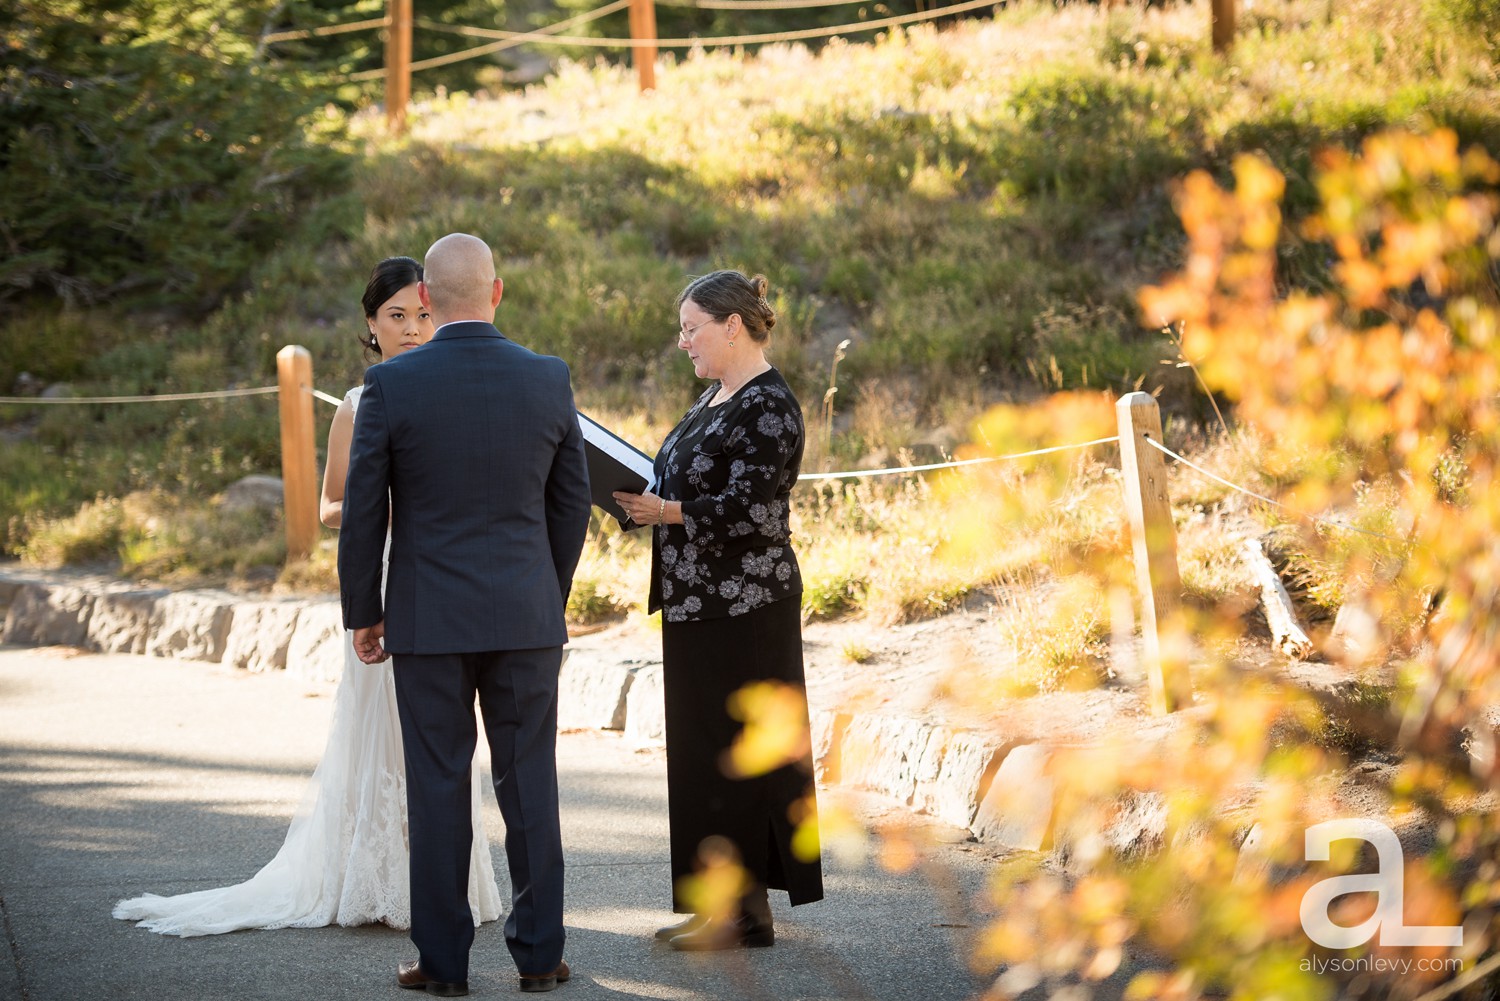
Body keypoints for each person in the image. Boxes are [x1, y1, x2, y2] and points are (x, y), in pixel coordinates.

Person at [112, 257, 504, 937]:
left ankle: (443, 882)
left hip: (446, 581)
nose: (412, 329)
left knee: (443, 736)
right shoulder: (360, 403)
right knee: (378, 725)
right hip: (383, 572)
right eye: (395, 317)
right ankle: (371, 875)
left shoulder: (454, 389)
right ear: (371, 327)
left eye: (422, 313)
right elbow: (329, 505)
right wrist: (381, 498)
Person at [340, 234, 591, 997]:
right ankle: (540, 955)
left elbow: (363, 513)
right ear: (497, 291)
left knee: (440, 787)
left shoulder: (393, 386)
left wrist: (365, 610)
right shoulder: (548, 378)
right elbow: (571, 501)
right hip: (525, 616)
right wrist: (544, 590)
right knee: (531, 785)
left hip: (428, 621)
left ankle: (443, 965)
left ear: (425, 303)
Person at [612, 269, 824, 952]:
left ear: (732, 326)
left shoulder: (768, 405)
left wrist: (666, 510)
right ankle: (724, 904)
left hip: (747, 607)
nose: (682, 342)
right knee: (704, 757)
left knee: (740, 757)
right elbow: (690, 477)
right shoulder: (716, 398)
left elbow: (754, 511)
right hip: (698, 602)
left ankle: (743, 910)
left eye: (691, 327)